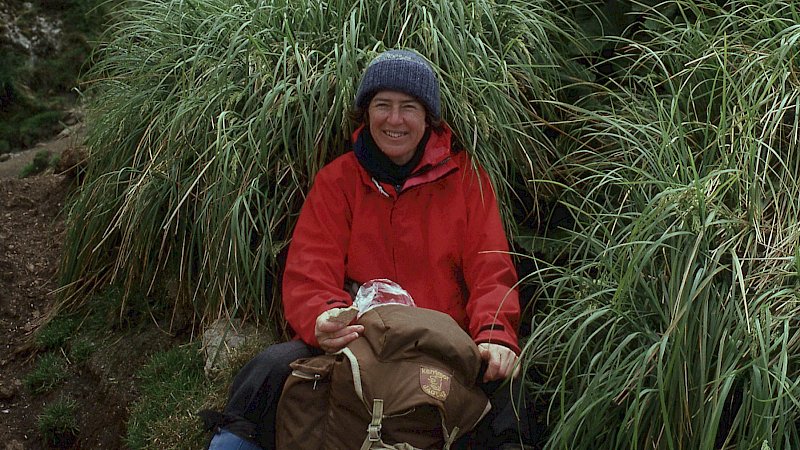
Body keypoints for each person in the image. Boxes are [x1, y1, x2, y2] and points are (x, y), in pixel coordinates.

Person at [205, 49, 535, 450]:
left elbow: (492, 269)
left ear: (428, 118)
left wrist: (495, 335)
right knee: (267, 371)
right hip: (356, 339)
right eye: (383, 105)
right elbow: (310, 268)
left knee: (512, 395)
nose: (394, 120)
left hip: (443, 346)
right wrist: (324, 318)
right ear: (366, 113)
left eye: (408, 107)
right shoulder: (338, 181)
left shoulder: (467, 180)